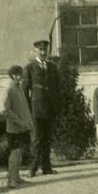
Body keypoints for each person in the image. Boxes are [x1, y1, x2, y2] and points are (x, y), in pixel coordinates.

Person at [21, 39, 61, 176]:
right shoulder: (29, 68)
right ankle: (33, 168)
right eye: (41, 50)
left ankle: (46, 167)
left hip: (50, 108)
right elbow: (24, 90)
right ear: (35, 51)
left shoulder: (52, 67)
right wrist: (27, 108)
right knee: (36, 139)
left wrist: (56, 105)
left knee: (47, 138)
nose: (43, 52)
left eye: (45, 50)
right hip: (36, 108)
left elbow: (57, 87)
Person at [2, 65, 33, 188]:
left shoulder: (19, 89)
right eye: (16, 74)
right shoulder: (9, 89)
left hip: (23, 127)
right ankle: (11, 179)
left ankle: (17, 177)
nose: (19, 77)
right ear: (12, 75)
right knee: (15, 153)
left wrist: (28, 122)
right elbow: (7, 110)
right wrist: (19, 122)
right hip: (14, 128)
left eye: (20, 74)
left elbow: (24, 108)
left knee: (19, 152)